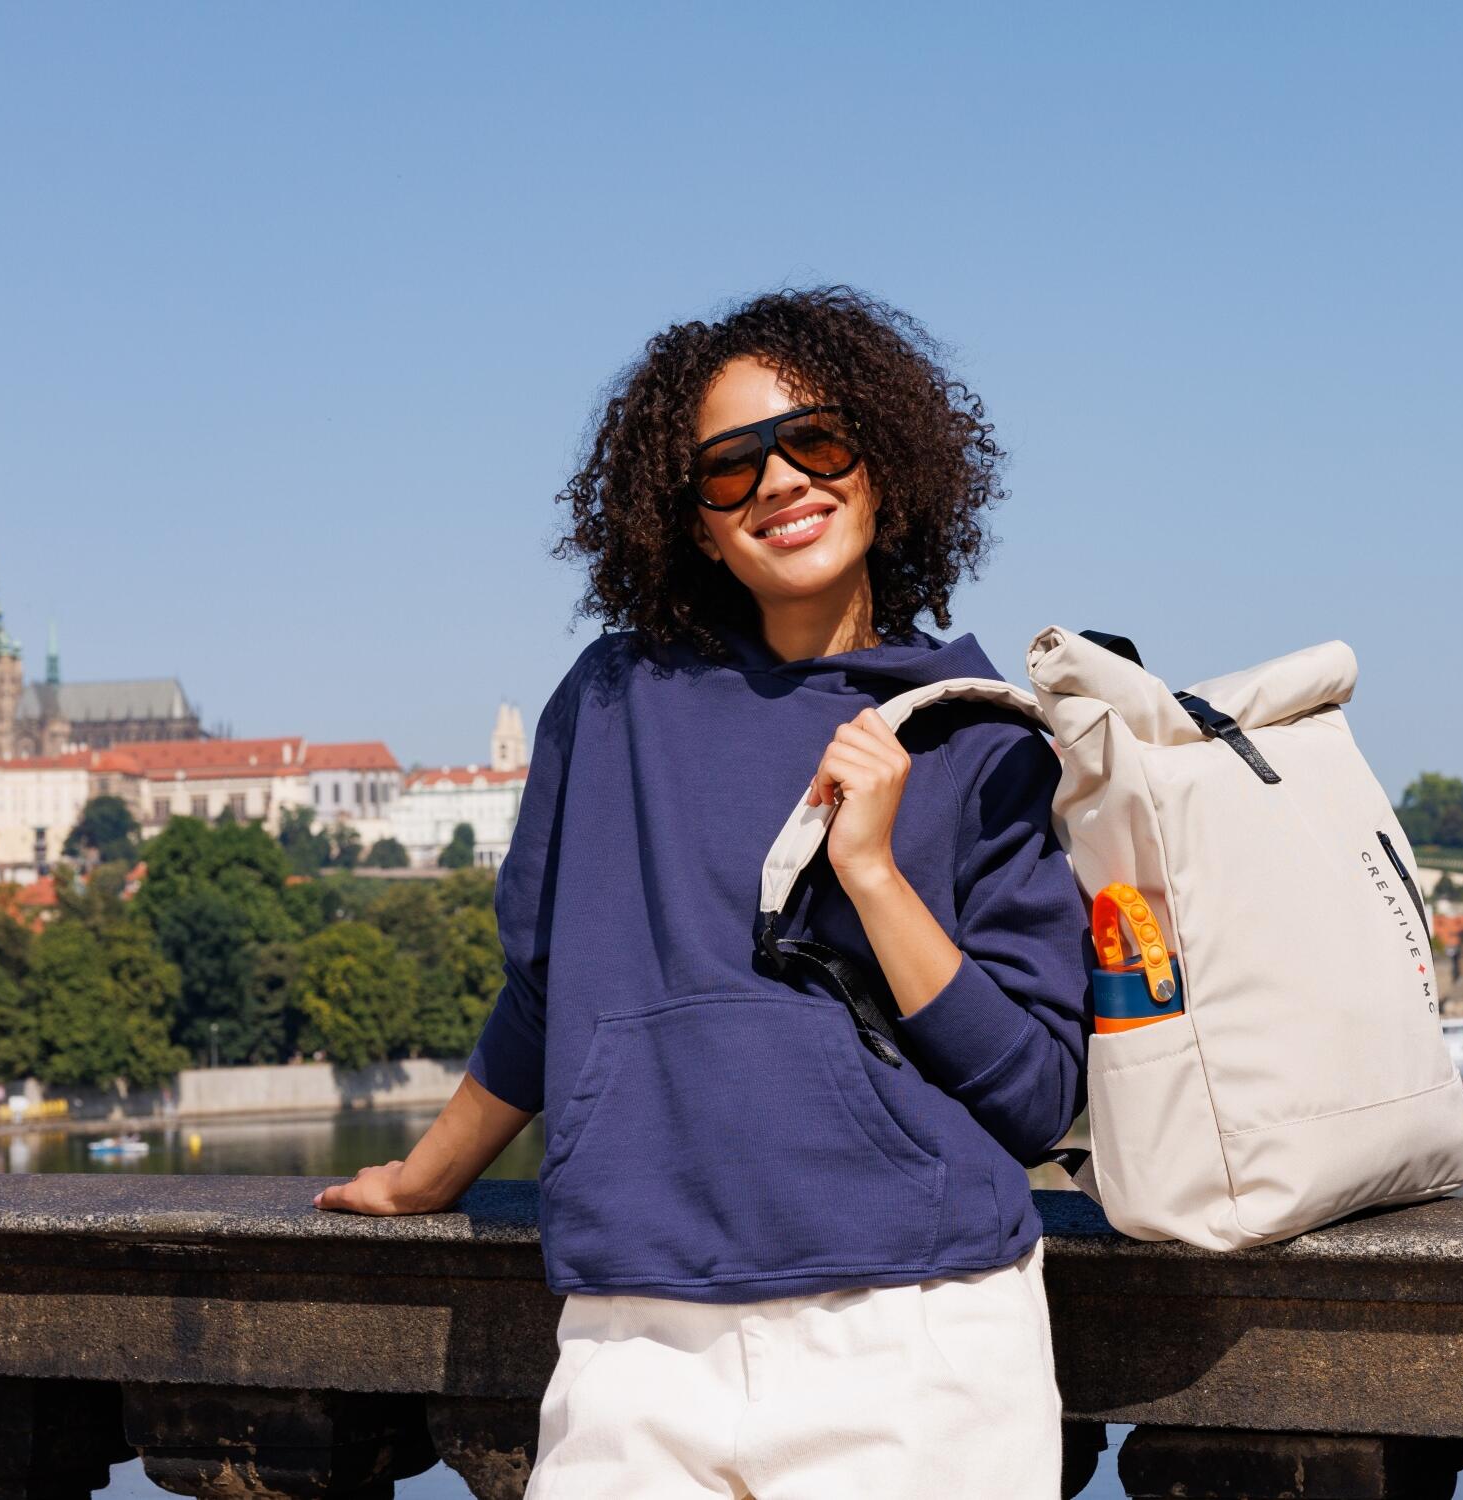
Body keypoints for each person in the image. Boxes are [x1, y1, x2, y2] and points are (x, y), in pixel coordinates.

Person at [316, 286, 1090, 1498]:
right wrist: (428, 1177)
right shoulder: (612, 702)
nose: (778, 482)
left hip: (915, 1335)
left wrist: (871, 874)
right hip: (632, 1339)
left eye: (815, 441)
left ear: (882, 467)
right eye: (730, 468)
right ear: (692, 523)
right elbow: (546, 987)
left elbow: (1036, 1096)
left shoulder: (979, 740)